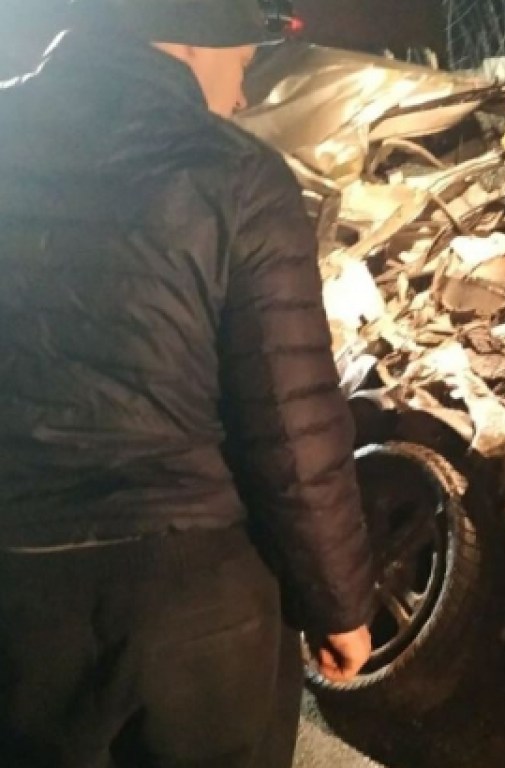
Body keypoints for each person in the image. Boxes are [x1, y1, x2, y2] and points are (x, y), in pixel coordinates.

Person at [0, 1, 375, 766]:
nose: (239, 96)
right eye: (239, 65)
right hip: (194, 610)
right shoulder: (239, 176)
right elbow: (290, 420)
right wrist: (338, 604)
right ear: (191, 42)